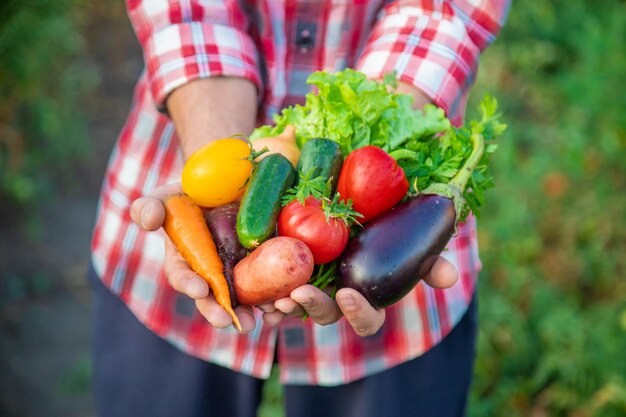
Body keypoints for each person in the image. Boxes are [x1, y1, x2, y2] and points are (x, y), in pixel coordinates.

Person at [89, 1, 510, 416]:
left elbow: (441, 11)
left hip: (389, 255)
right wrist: (217, 167)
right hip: (174, 209)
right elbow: (190, 12)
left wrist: (378, 134)